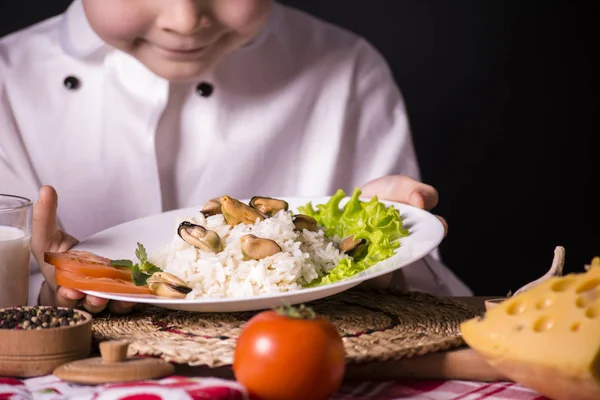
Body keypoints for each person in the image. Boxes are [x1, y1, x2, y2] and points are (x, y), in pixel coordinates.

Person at [0, 0, 471, 314]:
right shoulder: (9, 85)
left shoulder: (347, 71)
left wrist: (391, 250)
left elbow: (431, 302)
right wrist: (44, 297)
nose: (185, 20)